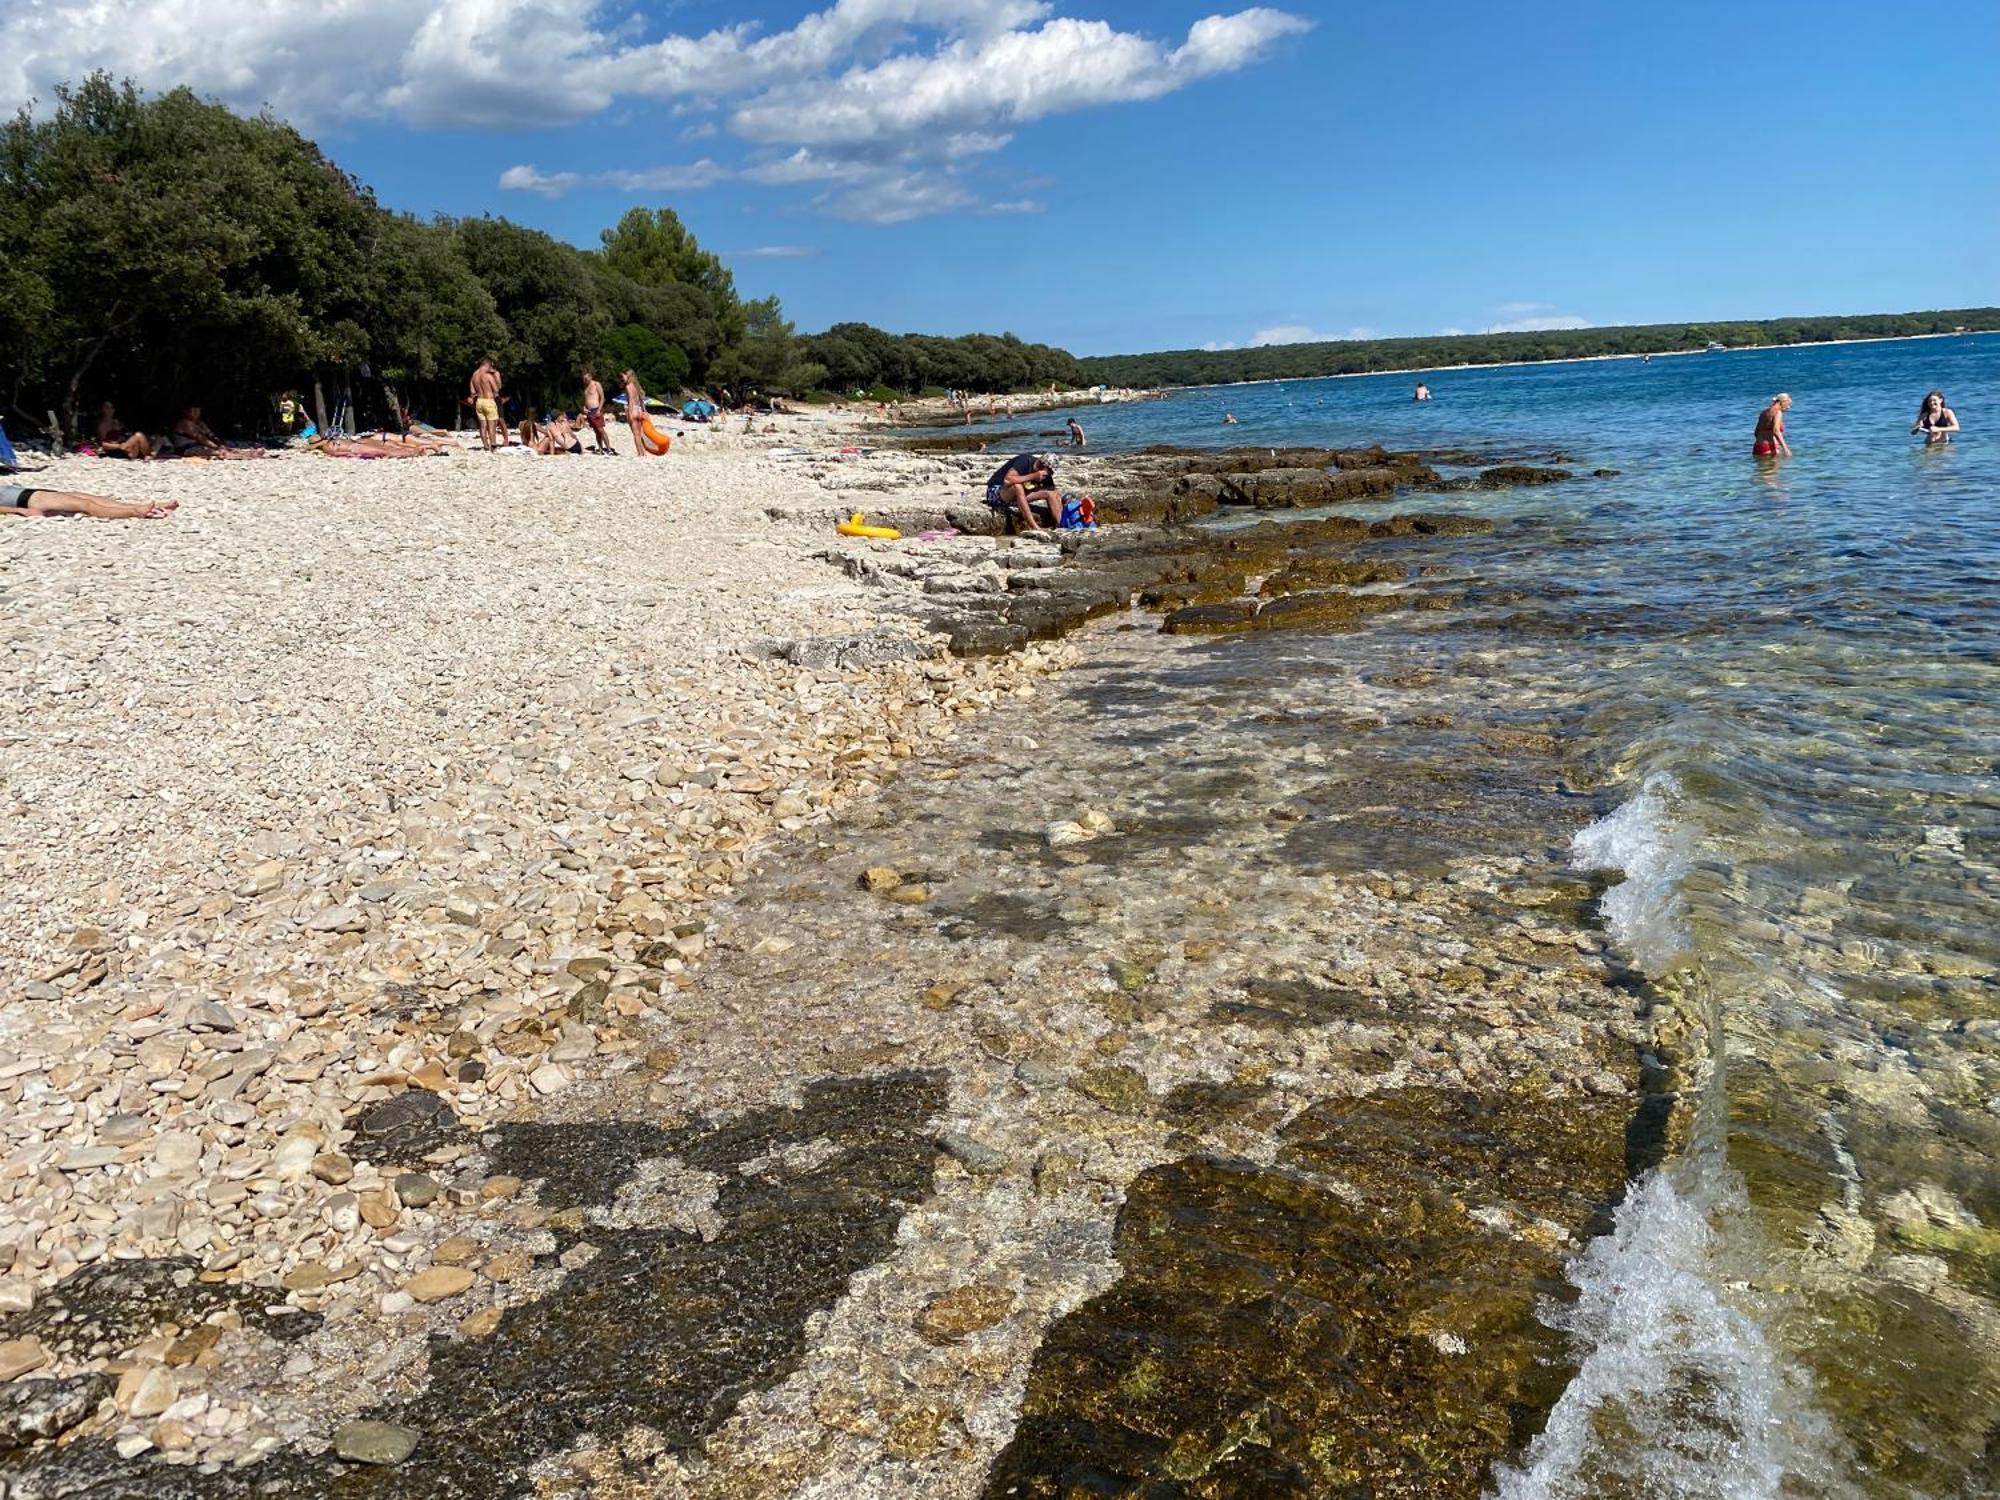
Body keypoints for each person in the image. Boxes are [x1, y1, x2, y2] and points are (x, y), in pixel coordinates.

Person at [2, 482, 177, 519]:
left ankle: (137, 505)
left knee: (90, 497)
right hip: (29, 499)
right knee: (86, 506)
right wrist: (19, 511)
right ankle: (135, 512)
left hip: (30, 493)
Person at [986, 452, 1061, 531]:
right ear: (1041, 465)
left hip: (1017, 497)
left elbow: (1053, 490)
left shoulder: (1046, 475)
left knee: (1052, 492)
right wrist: (1033, 476)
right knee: (1018, 486)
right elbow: (1007, 480)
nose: (1050, 474)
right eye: (1049, 471)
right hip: (997, 493)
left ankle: (1061, 524)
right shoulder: (1024, 460)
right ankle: (1034, 527)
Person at [621, 369, 661, 457]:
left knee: (635, 434)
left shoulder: (628, 386)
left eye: (623, 376)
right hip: (639, 410)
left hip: (633, 410)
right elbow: (641, 400)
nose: (622, 378)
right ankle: (643, 452)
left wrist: (630, 412)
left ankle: (640, 453)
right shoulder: (636, 386)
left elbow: (631, 399)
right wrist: (644, 411)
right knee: (640, 434)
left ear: (628, 376)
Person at [470, 359, 503, 451]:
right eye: (490, 366)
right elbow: (496, 389)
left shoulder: (474, 375)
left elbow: (472, 391)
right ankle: (493, 445)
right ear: (487, 365)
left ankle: (485, 445)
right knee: (492, 425)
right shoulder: (487, 376)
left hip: (479, 401)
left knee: (483, 425)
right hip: (489, 400)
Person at [579, 369, 613, 454]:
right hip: (589, 412)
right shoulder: (586, 388)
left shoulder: (596, 384)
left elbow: (602, 398)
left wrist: (599, 409)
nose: (585, 380)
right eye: (584, 379)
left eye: (586, 378)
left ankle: (608, 448)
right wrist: (584, 408)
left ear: (590, 377)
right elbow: (586, 400)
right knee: (596, 431)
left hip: (596, 409)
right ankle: (600, 449)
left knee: (601, 429)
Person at [1753, 393, 1793, 458]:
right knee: (1773, 468)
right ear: (1783, 402)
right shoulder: (1778, 412)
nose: (1789, 407)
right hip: (1770, 447)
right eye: (1788, 404)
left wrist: (1762, 441)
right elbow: (1776, 431)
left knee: (1761, 468)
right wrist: (1786, 449)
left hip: (1758, 446)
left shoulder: (1764, 411)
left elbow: (1756, 432)